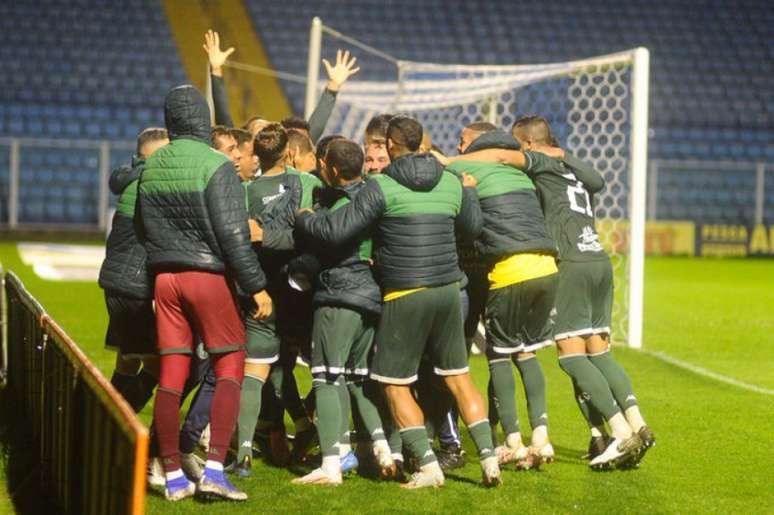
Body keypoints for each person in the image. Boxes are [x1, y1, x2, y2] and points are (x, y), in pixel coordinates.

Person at [296, 116, 502, 489]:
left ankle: (427, 467)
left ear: (390, 144)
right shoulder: (450, 181)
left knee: (394, 383)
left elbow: (337, 230)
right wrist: (469, 193)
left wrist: (306, 218)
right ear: (423, 142)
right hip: (449, 289)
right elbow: (472, 229)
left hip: (406, 292)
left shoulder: (382, 185)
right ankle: (489, 462)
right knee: (459, 378)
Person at [137, 85, 272, 502]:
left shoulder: (152, 165)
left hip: (165, 279)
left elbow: (143, 228)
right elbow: (234, 237)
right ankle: (214, 470)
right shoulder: (216, 165)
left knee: (172, 376)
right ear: (202, 116)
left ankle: (173, 476)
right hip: (206, 277)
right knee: (230, 365)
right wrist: (257, 287)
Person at [510, 115, 653, 469]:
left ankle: (620, 434)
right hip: (598, 260)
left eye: (517, 144)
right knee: (598, 353)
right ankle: (638, 424)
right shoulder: (572, 169)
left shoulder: (539, 164)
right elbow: (598, 180)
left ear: (528, 144)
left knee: (571, 355)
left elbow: (509, 162)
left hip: (571, 264)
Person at [445, 122, 559, 469]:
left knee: (498, 355)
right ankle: (541, 437)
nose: (459, 147)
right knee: (527, 353)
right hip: (547, 266)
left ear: (477, 145)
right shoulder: (522, 174)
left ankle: (512, 442)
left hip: (511, 269)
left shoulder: (469, 166)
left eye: (463, 142)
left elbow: (438, 165)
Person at [291, 139, 393, 485]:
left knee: (325, 376)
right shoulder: (372, 198)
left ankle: (331, 464)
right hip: (369, 297)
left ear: (331, 169)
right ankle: (382, 449)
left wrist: (304, 217)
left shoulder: (339, 209)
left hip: (340, 296)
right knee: (356, 379)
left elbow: (327, 237)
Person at [230, 123, 321, 477]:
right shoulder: (308, 184)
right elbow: (313, 232)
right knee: (291, 367)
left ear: (255, 155)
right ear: (289, 153)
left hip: (261, 291)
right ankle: (312, 432)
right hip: (300, 293)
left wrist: (263, 235)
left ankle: (245, 453)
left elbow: (242, 239)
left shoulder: (244, 192)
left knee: (257, 369)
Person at [99, 127, 168, 412]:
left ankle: (96, 420)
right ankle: (117, 427)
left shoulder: (135, 178)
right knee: (159, 367)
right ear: (149, 155)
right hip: (131, 286)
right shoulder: (147, 184)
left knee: (128, 361)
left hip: (120, 281)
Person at [202, 30, 358, 143]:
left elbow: (311, 134)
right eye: (259, 128)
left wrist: (333, 86)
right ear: (247, 140)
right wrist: (216, 70)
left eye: (269, 126)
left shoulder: (288, 162)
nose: (266, 130)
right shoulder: (241, 166)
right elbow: (223, 118)